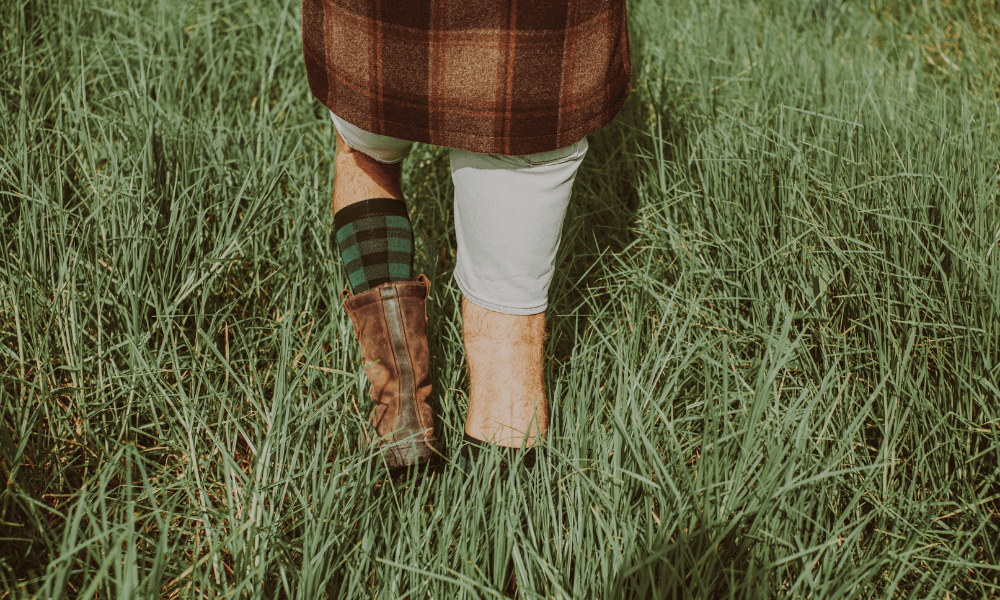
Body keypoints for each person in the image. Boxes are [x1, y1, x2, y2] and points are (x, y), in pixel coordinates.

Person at [301, 0, 632, 469]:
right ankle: (504, 516)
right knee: (521, 171)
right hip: (527, 33)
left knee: (366, 149)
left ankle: (400, 418)